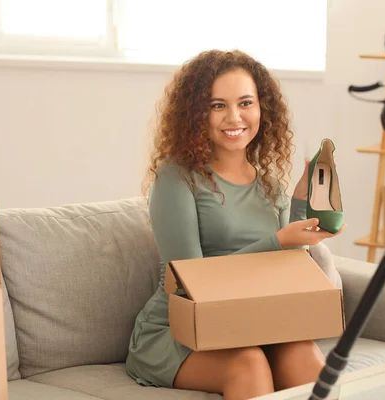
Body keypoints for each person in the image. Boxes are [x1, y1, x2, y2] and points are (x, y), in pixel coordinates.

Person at [126, 49, 346, 400]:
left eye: (246, 103)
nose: (234, 117)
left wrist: (301, 208)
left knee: (304, 356)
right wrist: (278, 240)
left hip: (251, 323)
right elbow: (189, 279)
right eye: (218, 105)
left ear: (262, 109)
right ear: (195, 114)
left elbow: (285, 271)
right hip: (177, 331)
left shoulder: (270, 186)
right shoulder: (176, 179)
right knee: (249, 363)